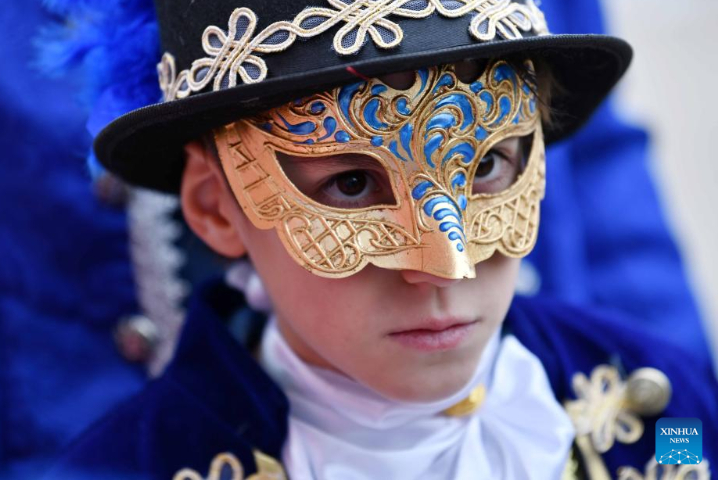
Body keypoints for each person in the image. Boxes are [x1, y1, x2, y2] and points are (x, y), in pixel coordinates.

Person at [41, 0, 717, 479]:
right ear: (216, 205)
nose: (446, 266)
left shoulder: (668, 405)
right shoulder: (122, 466)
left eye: (483, 166)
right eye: (352, 186)